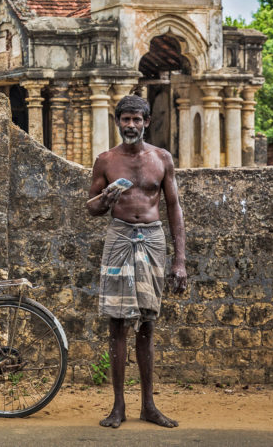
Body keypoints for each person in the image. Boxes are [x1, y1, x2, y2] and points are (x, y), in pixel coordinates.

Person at [87, 94, 186, 429]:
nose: (131, 125)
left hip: (153, 239)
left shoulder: (161, 158)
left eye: (137, 119)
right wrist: (106, 199)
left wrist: (180, 261)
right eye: (125, 119)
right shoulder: (105, 160)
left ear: (146, 122)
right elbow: (91, 207)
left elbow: (174, 207)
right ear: (117, 122)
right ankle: (118, 406)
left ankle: (148, 405)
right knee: (117, 322)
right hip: (119, 237)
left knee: (147, 322)